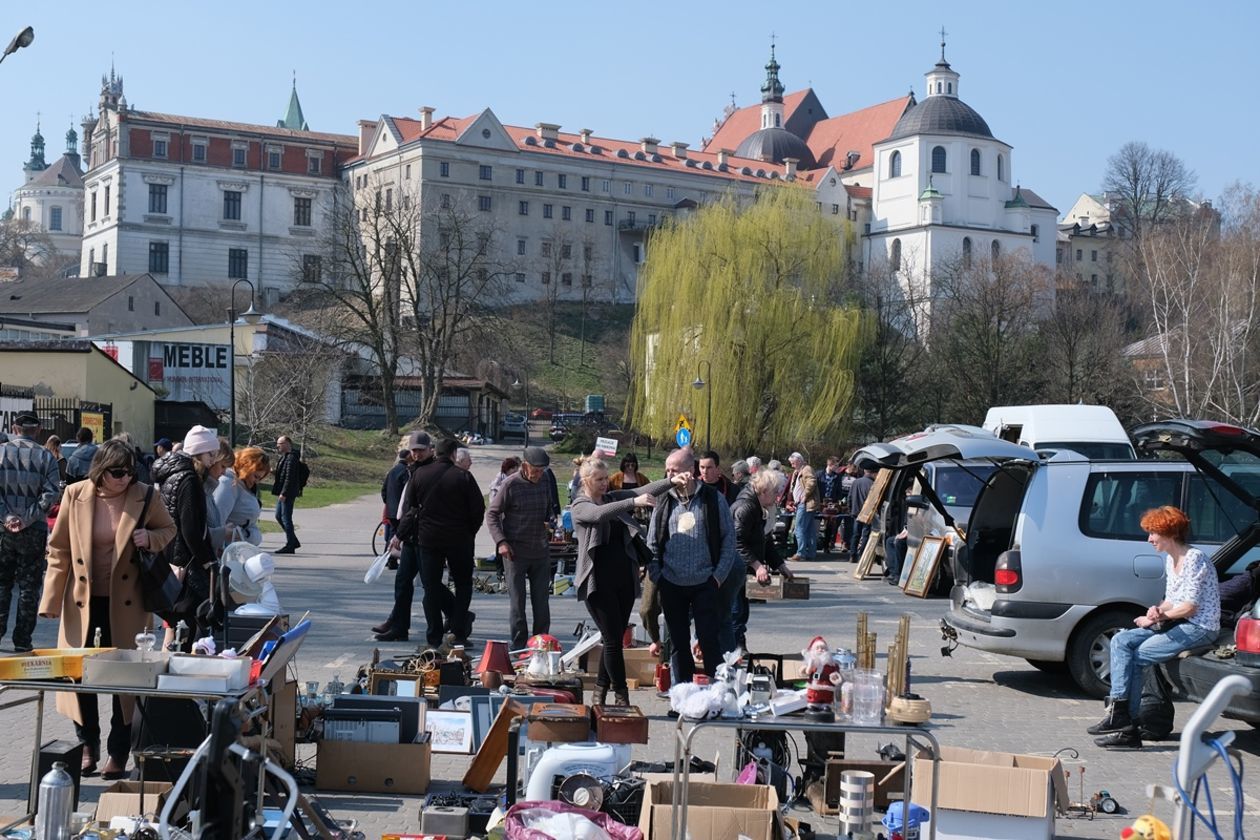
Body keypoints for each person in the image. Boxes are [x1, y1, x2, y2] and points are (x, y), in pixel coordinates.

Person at [39, 439, 176, 779]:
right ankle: (87, 744)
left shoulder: (145, 495)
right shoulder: (75, 494)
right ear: (100, 470)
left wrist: (150, 539)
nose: (125, 479)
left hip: (128, 604)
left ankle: (118, 751)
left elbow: (169, 529)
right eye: (117, 472)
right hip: (81, 604)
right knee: (79, 675)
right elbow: (59, 550)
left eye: (130, 472)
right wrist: (51, 600)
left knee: (124, 681)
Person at [1089, 506, 1220, 750]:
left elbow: (1190, 607)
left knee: (1137, 656)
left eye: (1153, 533)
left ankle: (1127, 725)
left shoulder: (1195, 559)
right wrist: (1156, 610)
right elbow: (1172, 599)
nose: (1149, 539)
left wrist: (1156, 618)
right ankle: (1119, 713)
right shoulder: (1171, 561)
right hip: (1177, 621)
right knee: (1120, 641)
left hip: (1199, 626)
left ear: (1169, 533)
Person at [571, 457, 675, 705]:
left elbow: (642, 490)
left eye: (606, 478)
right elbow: (598, 515)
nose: (605, 483)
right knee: (611, 640)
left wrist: (672, 481)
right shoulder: (580, 505)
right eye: (599, 479)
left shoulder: (612, 498)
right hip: (598, 582)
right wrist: (632, 502)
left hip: (624, 580)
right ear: (586, 481)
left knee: (614, 639)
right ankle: (621, 696)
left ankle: (599, 692)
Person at [647, 446, 738, 683]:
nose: (669, 476)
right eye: (666, 470)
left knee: (709, 640)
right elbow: (652, 543)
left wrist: (717, 576)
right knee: (678, 645)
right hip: (671, 583)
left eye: (674, 470)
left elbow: (729, 540)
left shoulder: (712, 499)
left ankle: (717, 694)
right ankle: (682, 697)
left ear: (690, 471)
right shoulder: (664, 500)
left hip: (705, 582)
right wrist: (658, 576)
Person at [391, 438, 484, 647]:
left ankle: (433, 635)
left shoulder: (419, 475)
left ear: (435, 452)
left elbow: (411, 509)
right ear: (452, 454)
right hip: (459, 539)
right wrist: (470, 531)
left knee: (430, 587)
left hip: (428, 539)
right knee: (463, 584)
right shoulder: (463, 477)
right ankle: (458, 631)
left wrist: (400, 534)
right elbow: (478, 510)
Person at [0, 412, 62, 652]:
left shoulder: (1, 452)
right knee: (29, 586)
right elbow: (51, 494)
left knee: (2, 584)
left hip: (3, 529)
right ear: (37, 431)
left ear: (15, 428)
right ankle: (23, 640)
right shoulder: (46, 457)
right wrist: (26, 519)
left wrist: (8, 517)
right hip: (34, 530)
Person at [152, 425, 220, 641]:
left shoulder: (172, 475)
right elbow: (191, 528)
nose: (213, 459)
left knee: (179, 623)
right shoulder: (189, 479)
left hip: (172, 556)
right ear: (198, 452)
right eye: (211, 453)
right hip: (187, 561)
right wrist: (208, 560)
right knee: (191, 622)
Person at [486, 446, 555, 650]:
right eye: (536, 469)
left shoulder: (544, 481)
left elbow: (549, 508)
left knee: (541, 602)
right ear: (525, 466)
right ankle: (519, 647)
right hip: (515, 553)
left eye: (542, 470)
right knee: (518, 603)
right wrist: (501, 542)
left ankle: (541, 643)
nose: (539, 474)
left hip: (540, 551)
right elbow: (492, 515)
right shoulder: (510, 485)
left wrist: (550, 520)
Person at [372, 431, 435, 639]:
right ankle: (399, 627)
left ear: (430, 450)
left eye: (420, 450)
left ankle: (457, 615)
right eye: (414, 450)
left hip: (424, 537)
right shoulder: (411, 469)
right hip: (410, 537)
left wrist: (399, 533)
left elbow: (416, 509)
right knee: (402, 582)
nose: (416, 454)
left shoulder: (428, 472)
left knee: (431, 585)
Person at [729, 469, 794, 652]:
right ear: (764, 491)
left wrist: (780, 565)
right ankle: (730, 656)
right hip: (733, 570)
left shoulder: (757, 507)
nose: (777, 497)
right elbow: (737, 541)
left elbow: (764, 540)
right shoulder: (746, 507)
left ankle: (737, 651)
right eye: (775, 493)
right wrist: (757, 566)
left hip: (741, 569)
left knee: (740, 613)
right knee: (735, 614)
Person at [214, 447, 270, 547]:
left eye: (260, 478)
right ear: (246, 468)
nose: (256, 482)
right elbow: (217, 521)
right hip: (226, 551)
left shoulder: (243, 486)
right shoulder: (229, 484)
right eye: (256, 476)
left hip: (237, 549)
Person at [271, 435, 303, 554]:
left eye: (280, 444)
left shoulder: (291, 459)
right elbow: (283, 474)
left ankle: (290, 545)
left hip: (287, 493)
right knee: (279, 516)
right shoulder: (285, 457)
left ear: (287, 444)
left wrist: (284, 493)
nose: (277, 446)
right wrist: (273, 472)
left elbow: (289, 478)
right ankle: (293, 540)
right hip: (284, 492)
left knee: (286, 518)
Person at [787, 452, 820, 562]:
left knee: (799, 529)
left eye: (793, 463)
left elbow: (811, 482)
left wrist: (805, 496)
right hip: (803, 504)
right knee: (809, 530)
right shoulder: (798, 471)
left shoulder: (806, 469)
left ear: (799, 461)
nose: (792, 465)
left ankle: (800, 553)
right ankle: (811, 553)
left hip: (805, 504)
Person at [380, 443, 411, 547]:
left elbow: (383, 490)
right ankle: (392, 557)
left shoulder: (392, 471)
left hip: (391, 509)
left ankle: (389, 559)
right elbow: (407, 491)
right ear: (407, 457)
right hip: (400, 510)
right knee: (400, 535)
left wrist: (388, 503)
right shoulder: (406, 472)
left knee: (392, 534)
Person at [848, 460, 878, 562]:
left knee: (855, 534)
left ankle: (852, 555)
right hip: (867, 513)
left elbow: (850, 497)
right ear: (873, 472)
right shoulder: (873, 484)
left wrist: (850, 509)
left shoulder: (855, 482)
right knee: (865, 534)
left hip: (856, 512)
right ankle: (862, 554)